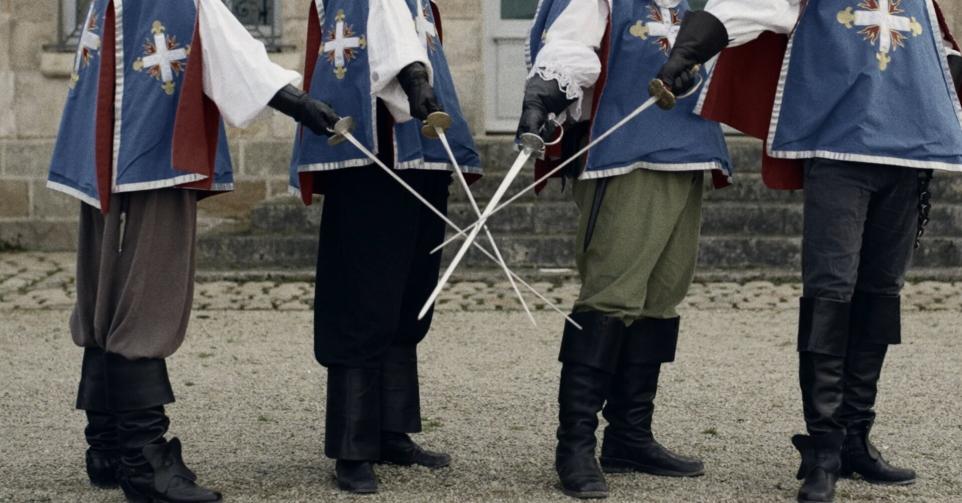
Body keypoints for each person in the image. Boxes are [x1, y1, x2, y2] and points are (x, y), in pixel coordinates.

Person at [656, 1, 962, 502]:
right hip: (838, 149)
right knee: (829, 294)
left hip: (910, 154)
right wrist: (685, 54)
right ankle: (824, 450)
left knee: (881, 295)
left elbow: (939, 57)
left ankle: (856, 438)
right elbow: (751, 6)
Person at [48, 1, 339, 501]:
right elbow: (232, 55)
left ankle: (107, 445)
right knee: (148, 299)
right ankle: (143, 461)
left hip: (100, 152)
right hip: (155, 153)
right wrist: (300, 104)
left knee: (103, 295)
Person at [518, 0, 733, 498]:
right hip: (623, 155)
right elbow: (570, 47)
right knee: (611, 297)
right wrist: (541, 98)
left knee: (661, 299)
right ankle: (575, 445)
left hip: (691, 151)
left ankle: (630, 435)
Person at [288, 0, 481, 494]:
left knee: (409, 297)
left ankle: (391, 430)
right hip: (371, 162)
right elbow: (391, 45)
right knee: (362, 301)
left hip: (423, 158)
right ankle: (352, 445)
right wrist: (414, 81)